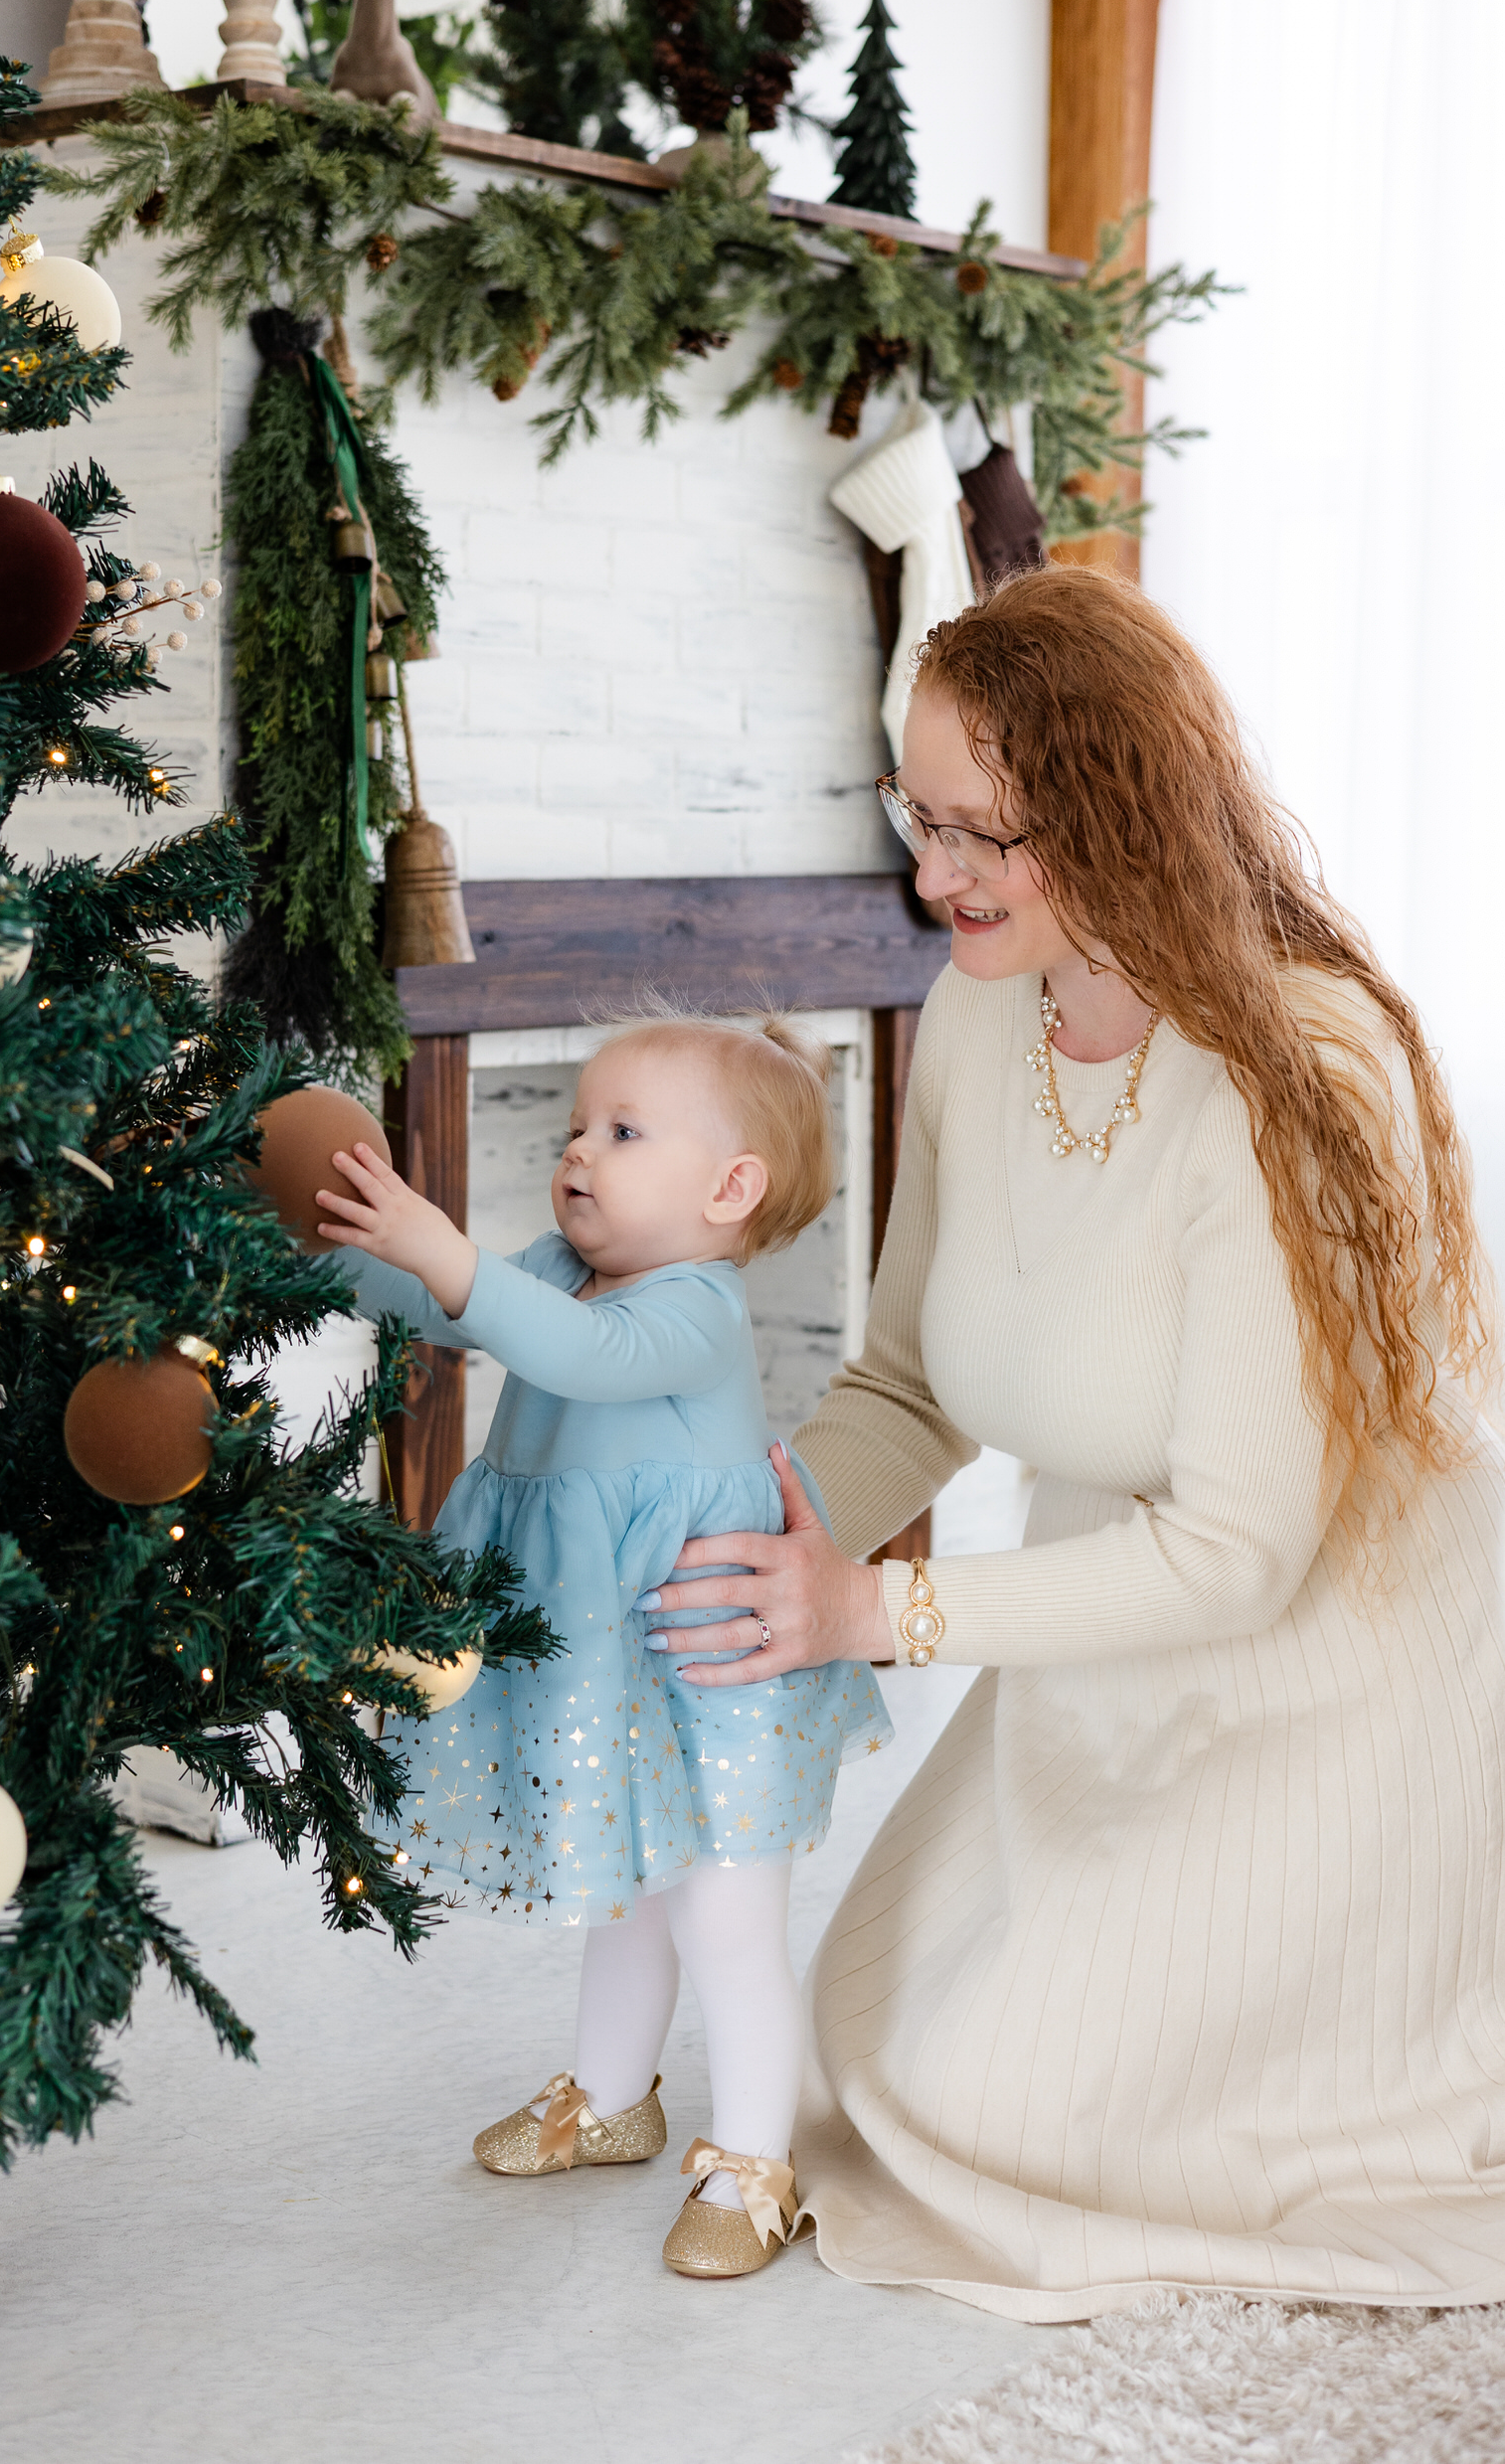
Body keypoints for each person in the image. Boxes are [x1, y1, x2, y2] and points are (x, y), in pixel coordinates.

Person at [637, 565, 1505, 2321]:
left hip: (1325, 1673)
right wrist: (744, 1529)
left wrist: (872, 1618)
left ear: (1117, 808)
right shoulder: (978, 1010)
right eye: (915, 813)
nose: (928, 874)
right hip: (1103, 1653)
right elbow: (914, 1381)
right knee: (884, 2050)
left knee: (1018, 2121)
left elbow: (1236, 1556)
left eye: (979, 832)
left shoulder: (1295, 1075)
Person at [315, 1013, 891, 2279]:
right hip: (599, 1653)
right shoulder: (559, 1269)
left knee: (723, 1915)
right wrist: (344, 1244)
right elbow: (452, 1309)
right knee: (623, 1890)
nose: (579, 1150)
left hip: (704, 1653)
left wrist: (450, 1254)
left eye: (623, 1132)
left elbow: (570, 1351)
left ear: (728, 1189)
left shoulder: (692, 1308)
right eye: (579, 1123)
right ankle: (614, 2093)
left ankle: (755, 2157)